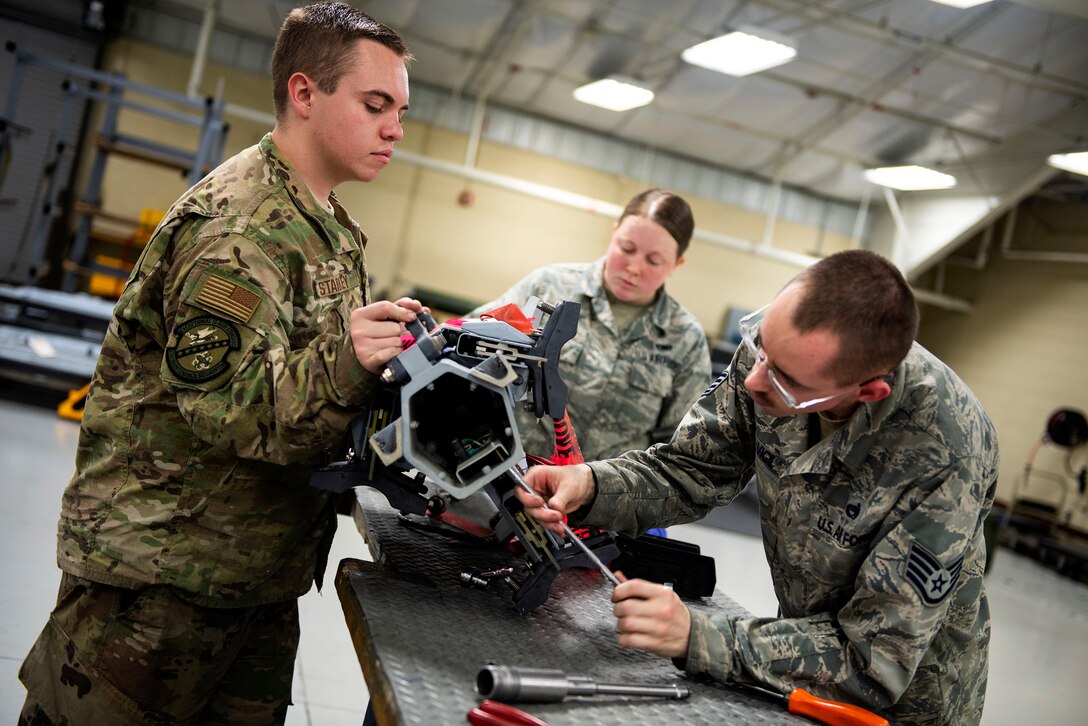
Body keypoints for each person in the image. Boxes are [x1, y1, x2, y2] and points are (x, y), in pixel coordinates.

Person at [19, 4, 418, 724]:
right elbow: (228, 409)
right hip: (161, 578)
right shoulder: (241, 225)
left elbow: (312, 392)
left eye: (400, 110)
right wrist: (347, 359)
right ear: (305, 93)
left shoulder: (323, 226)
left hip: (252, 575)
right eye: (375, 105)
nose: (395, 128)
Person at [516, 250, 998, 725]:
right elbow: (692, 468)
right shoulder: (779, 353)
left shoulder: (945, 452)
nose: (753, 380)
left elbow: (873, 660)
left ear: (867, 392)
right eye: (760, 347)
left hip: (903, 706)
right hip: (797, 658)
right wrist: (591, 484)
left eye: (784, 380)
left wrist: (699, 636)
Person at [470, 188, 711, 462]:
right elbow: (465, 345)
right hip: (509, 471)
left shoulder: (685, 339)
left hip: (609, 489)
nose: (634, 267)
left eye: (654, 261)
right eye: (626, 248)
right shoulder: (548, 287)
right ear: (614, 232)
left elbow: (680, 447)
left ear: (677, 264)